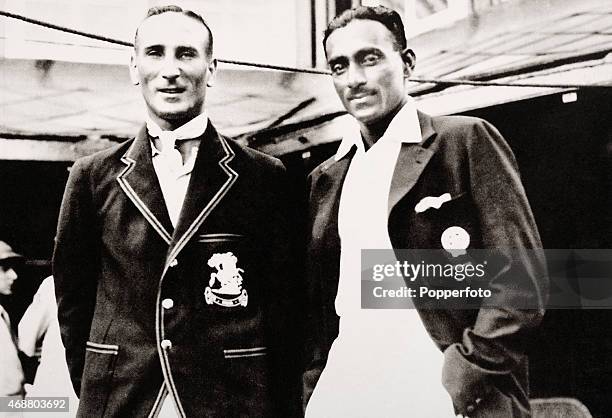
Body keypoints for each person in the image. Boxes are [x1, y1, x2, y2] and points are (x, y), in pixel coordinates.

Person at [53, 5, 300, 417]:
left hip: (230, 400)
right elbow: (72, 302)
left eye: (186, 53)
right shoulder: (91, 177)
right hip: (125, 399)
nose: (170, 70)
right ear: (134, 68)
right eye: (155, 53)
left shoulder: (263, 176)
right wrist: (103, 378)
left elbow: (285, 306)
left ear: (212, 68)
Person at [303, 6, 547, 418]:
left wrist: (465, 372)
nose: (354, 79)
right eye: (339, 66)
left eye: (370, 58)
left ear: (408, 62)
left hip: (438, 392)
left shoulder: (463, 141)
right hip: (347, 393)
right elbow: (324, 307)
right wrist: (315, 386)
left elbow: (522, 279)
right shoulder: (326, 179)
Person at [0, 241, 25, 399]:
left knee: (61, 406)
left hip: (13, 404)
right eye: (4, 268)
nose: (14, 275)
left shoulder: (3, 314)